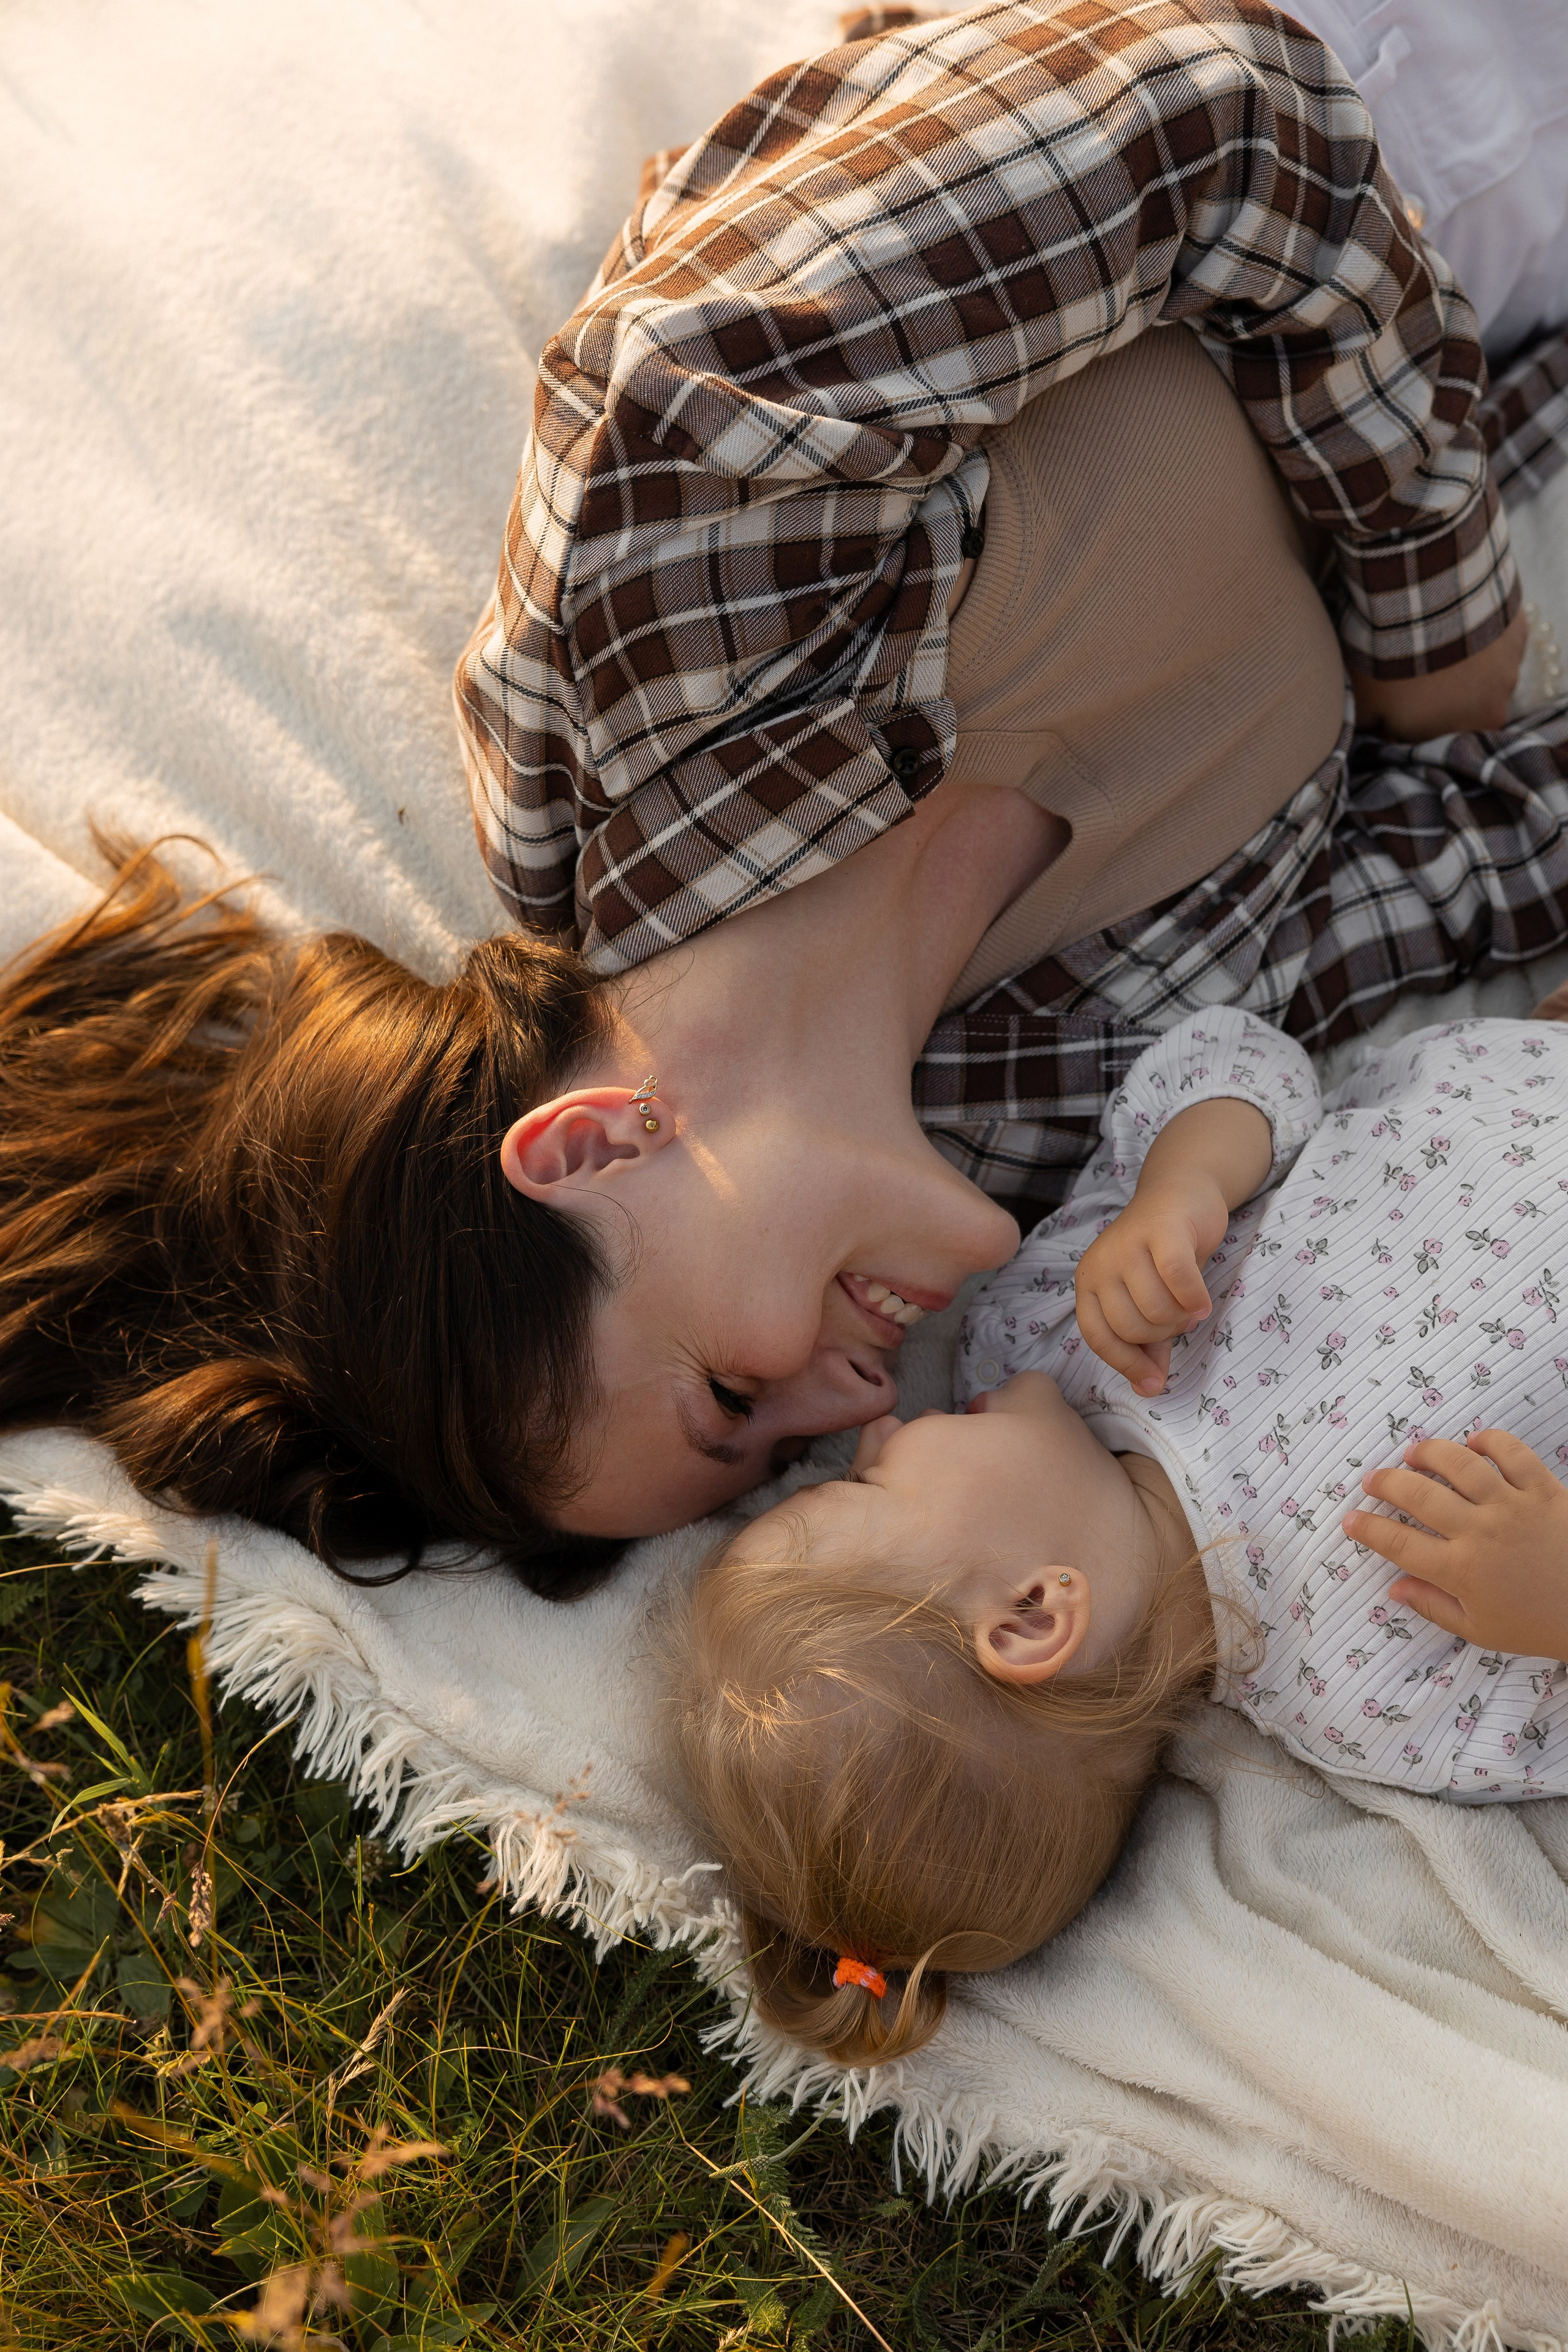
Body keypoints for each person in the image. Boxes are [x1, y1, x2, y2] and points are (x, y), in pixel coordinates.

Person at [7, 5, 1568, 1587]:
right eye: (782, 1453)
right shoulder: (1055, 1107)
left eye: (731, 1400)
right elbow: (1478, 858)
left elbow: (1211, 111)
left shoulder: (664, 623)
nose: (860, 1408)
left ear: (590, 1149)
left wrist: (1432, 605)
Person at [663, 1001, 1568, 2067]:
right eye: (863, 1487)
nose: (878, 1428)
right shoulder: (1376, 1698)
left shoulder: (1043, 1335)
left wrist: (1182, 1185)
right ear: (1032, 1613)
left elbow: (1238, 1059)